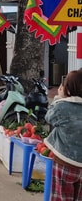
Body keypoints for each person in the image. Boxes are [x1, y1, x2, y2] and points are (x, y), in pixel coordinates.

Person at [44, 69, 82, 201]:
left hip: (65, 162)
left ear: (68, 89)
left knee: (61, 196)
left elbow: (49, 117)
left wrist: (59, 97)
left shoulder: (62, 107)